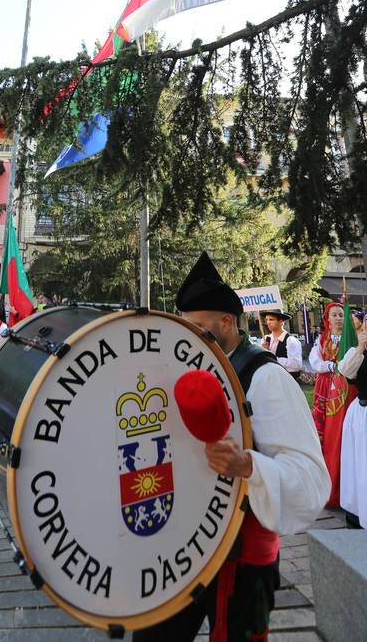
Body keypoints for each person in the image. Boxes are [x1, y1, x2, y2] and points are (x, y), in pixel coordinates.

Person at [133, 252, 329, 642]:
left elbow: (310, 481)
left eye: (200, 328)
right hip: (180, 550)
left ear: (227, 322)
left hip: (241, 556)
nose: (191, 339)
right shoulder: (187, 369)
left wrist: (248, 465)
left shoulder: (266, 377)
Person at [309, 301, 357, 507]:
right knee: (324, 431)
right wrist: (329, 365)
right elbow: (314, 361)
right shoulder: (322, 340)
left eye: (341, 315)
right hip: (326, 386)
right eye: (334, 315)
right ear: (327, 319)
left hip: (345, 388)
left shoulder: (352, 339)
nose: (338, 318)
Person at [338, 320, 367, 528]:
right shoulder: (358, 352)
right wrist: (360, 348)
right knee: (357, 465)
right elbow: (346, 371)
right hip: (360, 415)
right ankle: (357, 512)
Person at [261, 309, 303, 382]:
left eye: (271, 319)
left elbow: (296, 365)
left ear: (281, 322)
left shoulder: (290, 340)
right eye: (267, 320)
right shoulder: (265, 339)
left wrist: (273, 358)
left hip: (287, 382)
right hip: (270, 381)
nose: (268, 322)